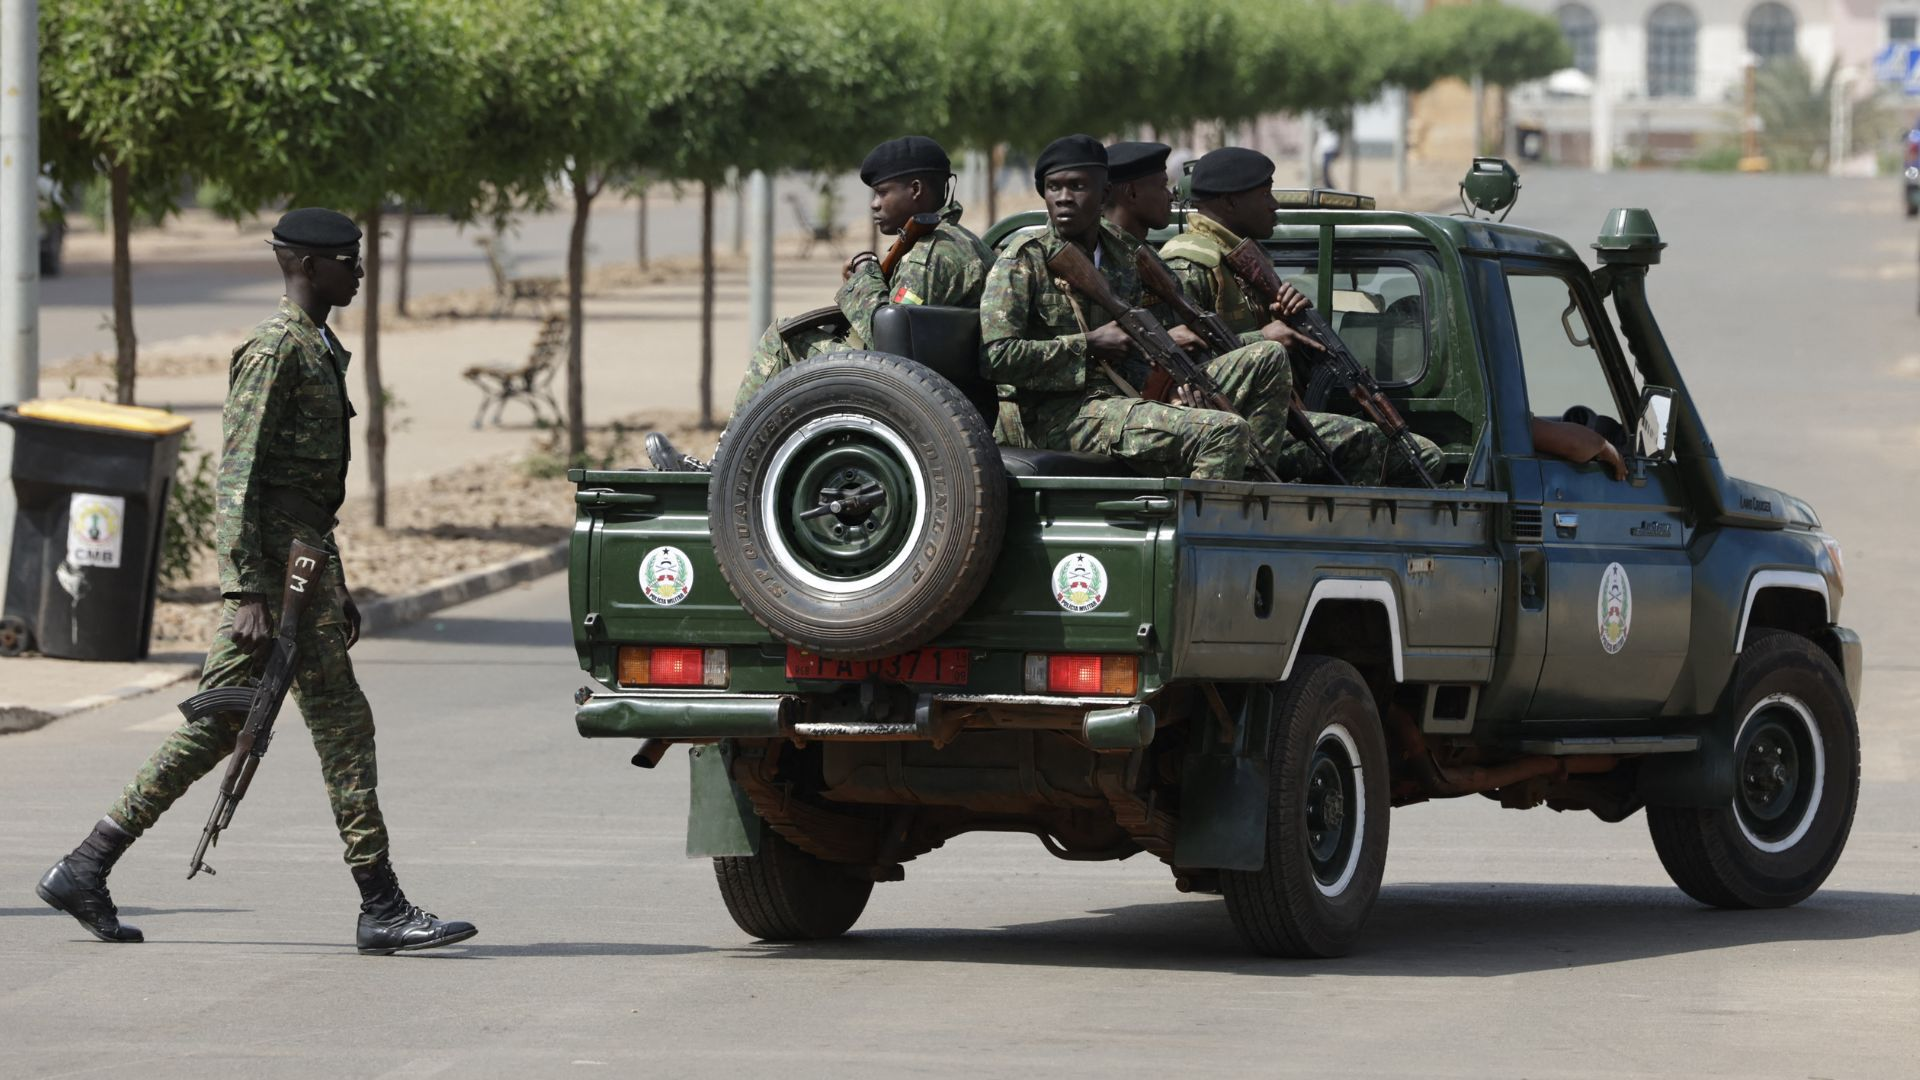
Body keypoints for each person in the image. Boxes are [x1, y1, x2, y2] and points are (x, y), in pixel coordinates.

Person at [35, 209, 476, 956]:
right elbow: (237, 480)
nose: (359, 272)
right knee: (336, 728)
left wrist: (332, 582)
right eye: (347, 260)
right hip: (272, 581)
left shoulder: (316, 346)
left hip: (299, 570)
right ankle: (382, 905)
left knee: (228, 728)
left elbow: (305, 497)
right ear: (305, 265)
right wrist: (242, 591)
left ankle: (86, 865)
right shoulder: (276, 350)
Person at [647, 135, 994, 471]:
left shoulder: (930, 253)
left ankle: (724, 465)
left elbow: (890, 343)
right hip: (943, 393)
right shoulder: (960, 242)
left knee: (783, 340)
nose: (874, 204)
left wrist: (864, 278)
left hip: (919, 397)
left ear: (916, 190)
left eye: (882, 193)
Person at [980, 135, 1292, 481]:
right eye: (1053, 188)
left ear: (1104, 193)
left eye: (1077, 186)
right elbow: (996, 358)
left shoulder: (1121, 256)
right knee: (1223, 431)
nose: (1064, 198)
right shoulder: (1024, 258)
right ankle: (1195, 528)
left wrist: (1172, 388)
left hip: (1121, 401)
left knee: (1269, 356)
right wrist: (1088, 345)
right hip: (1057, 416)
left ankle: (1252, 489)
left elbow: (1137, 349)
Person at [1155, 147, 1445, 485]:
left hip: (1262, 415)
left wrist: (1291, 326)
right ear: (1230, 203)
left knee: (1413, 452)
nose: (1273, 205)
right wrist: (1264, 338)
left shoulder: (1242, 261)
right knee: (1376, 446)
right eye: (1264, 194)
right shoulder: (1190, 264)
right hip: (1221, 425)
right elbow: (1171, 364)